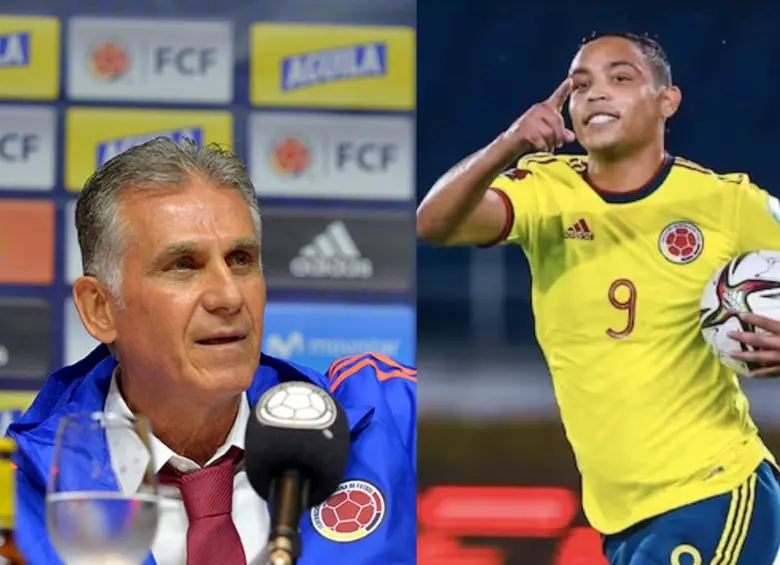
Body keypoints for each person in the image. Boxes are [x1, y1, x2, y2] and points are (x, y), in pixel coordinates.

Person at [417, 32, 780, 564]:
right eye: (581, 85)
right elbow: (435, 224)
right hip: (622, 519)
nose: (596, 94)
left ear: (667, 100)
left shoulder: (725, 202)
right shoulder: (544, 191)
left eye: (621, 78)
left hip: (715, 494)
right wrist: (508, 143)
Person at [7, 138, 416, 565]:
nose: (228, 296)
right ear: (100, 309)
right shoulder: (18, 502)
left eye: (241, 260)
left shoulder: (389, 418)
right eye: (183, 265)